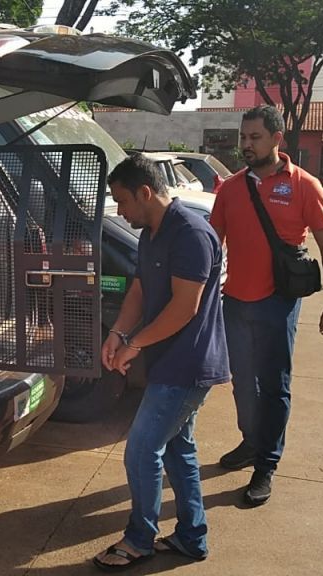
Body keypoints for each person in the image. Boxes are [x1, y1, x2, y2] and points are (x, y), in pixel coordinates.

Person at [92, 153, 229, 572]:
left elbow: (183, 308)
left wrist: (133, 344)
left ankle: (139, 540)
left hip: (187, 366)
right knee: (177, 451)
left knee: (141, 450)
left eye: (122, 201)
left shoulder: (190, 233)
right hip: (168, 360)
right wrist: (117, 334)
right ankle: (191, 537)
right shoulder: (153, 232)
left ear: (145, 192)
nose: (119, 210)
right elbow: (139, 291)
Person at [209, 105, 323, 507]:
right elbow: (211, 246)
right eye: (243, 138)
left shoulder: (304, 185)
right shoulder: (231, 188)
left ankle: (266, 463)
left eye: (255, 138)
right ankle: (251, 442)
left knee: (274, 386)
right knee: (242, 382)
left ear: (276, 139)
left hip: (277, 303)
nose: (247, 145)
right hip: (234, 301)